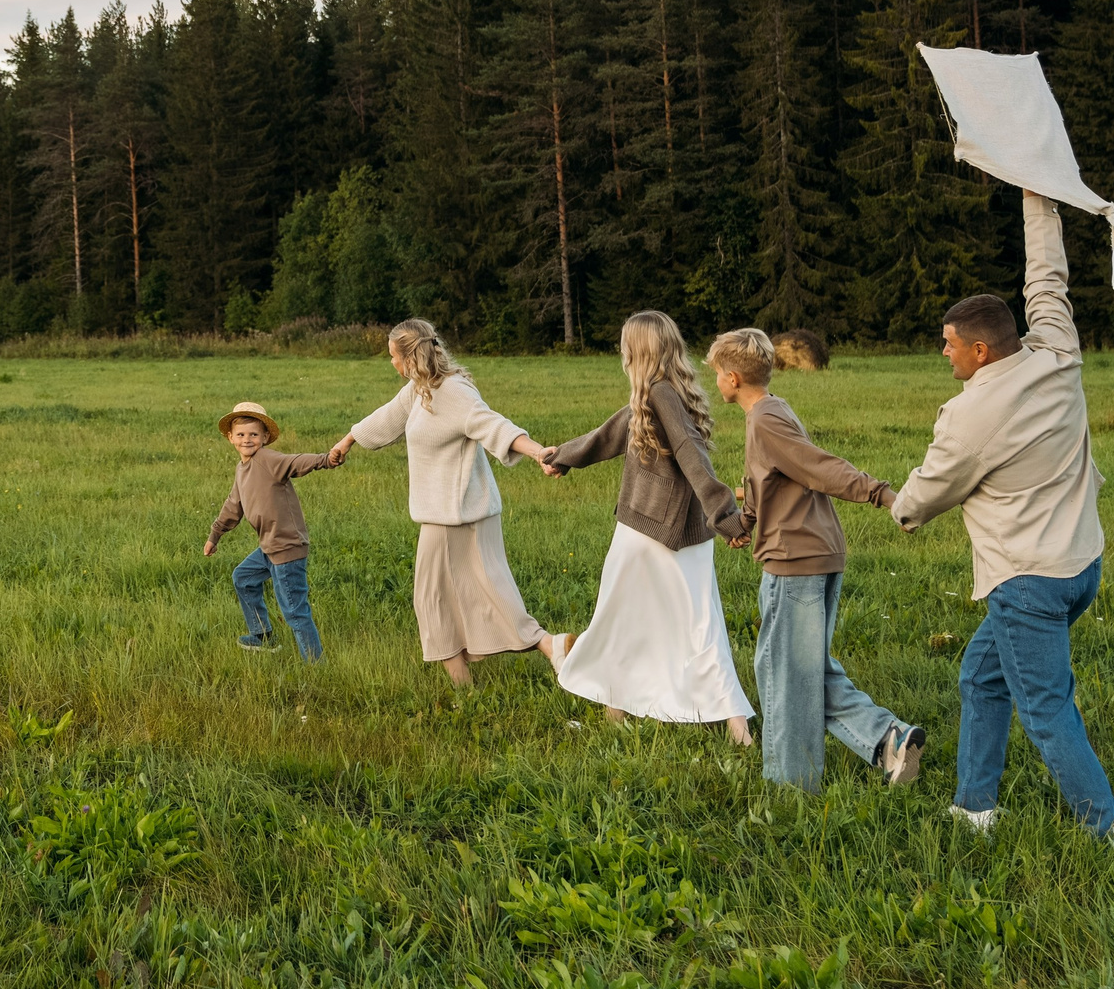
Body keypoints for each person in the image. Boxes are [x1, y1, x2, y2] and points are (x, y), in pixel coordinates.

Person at [892, 191, 1114, 841]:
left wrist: (897, 507)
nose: (943, 353)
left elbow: (925, 495)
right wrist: (1035, 194)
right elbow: (1047, 277)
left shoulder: (971, 414)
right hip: (1082, 565)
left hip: (1028, 584)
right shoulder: (1058, 351)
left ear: (979, 351)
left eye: (948, 345)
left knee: (1048, 713)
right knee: (980, 674)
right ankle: (974, 808)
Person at [707, 326, 922, 791]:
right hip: (812, 549)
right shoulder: (770, 411)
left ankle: (792, 785)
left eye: (717, 373)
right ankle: (889, 740)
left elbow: (818, 466)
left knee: (786, 675)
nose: (715, 380)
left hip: (796, 557)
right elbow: (767, 480)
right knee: (800, 669)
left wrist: (883, 495)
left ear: (732, 378)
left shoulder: (765, 420)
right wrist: (745, 522)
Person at [537, 311, 753, 744]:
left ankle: (722, 722)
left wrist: (727, 518)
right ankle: (728, 725)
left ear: (637, 352)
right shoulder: (665, 393)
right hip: (684, 534)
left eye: (625, 346)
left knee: (623, 621)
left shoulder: (659, 394)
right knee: (699, 627)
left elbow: (692, 456)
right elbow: (612, 433)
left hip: (649, 532)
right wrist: (564, 456)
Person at [326, 319, 571, 687]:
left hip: (454, 517)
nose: (391, 362)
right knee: (481, 593)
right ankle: (494, 675)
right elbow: (387, 417)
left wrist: (538, 452)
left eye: (393, 356)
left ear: (411, 357)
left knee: (435, 600)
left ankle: (541, 650)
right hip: (460, 513)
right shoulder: (419, 390)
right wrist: (347, 441)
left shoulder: (453, 392)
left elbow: (493, 424)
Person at [202, 401, 335, 661]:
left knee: (295, 611)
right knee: (243, 578)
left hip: (286, 546)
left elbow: (294, 462)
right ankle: (262, 636)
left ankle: (316, 664)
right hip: (269, 547)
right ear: (230, 437)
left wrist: (326, 459)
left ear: (264, 437)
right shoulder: (242, 469)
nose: (247, 439)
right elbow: (233, 505)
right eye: (241, 434)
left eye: (254, 434)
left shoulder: (268, 459)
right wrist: (214, 536)